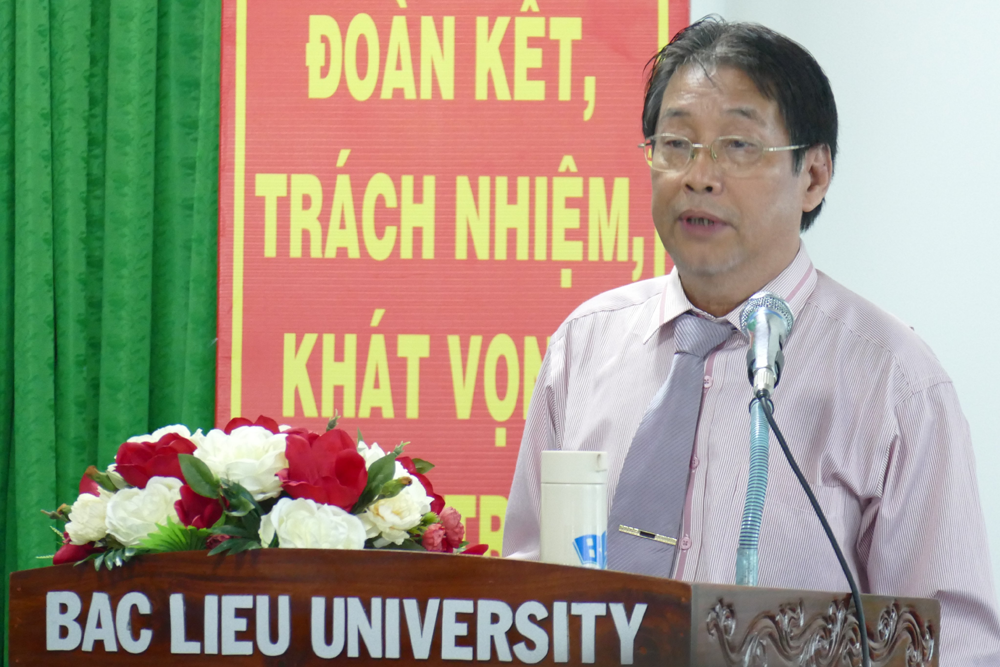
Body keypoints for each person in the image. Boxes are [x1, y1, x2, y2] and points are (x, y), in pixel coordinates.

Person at [502, 17, 1000, 664]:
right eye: (675, 143)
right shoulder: (585, 345)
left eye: (738, 145)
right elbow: (523, 597)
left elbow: (952, 641)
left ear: (813, 175)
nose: (699, 175)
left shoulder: (893, 379)